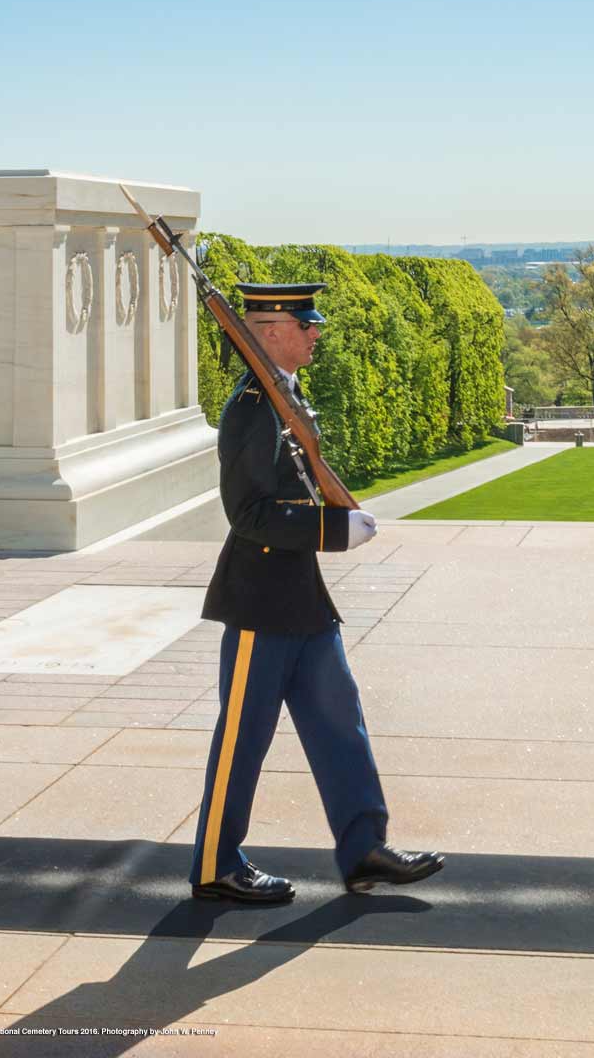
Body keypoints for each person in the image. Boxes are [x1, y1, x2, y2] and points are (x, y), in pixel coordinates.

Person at [189, 282, 445, 904]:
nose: (315, 332)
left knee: (340, 723)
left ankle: (364, 851)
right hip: (259, 601)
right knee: (243, 739)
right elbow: (247, 514)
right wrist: (332, 529)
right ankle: (215, 866)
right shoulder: (253, 408)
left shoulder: (284, 396)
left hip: (300, 597)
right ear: (270, 330)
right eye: (306, 321)